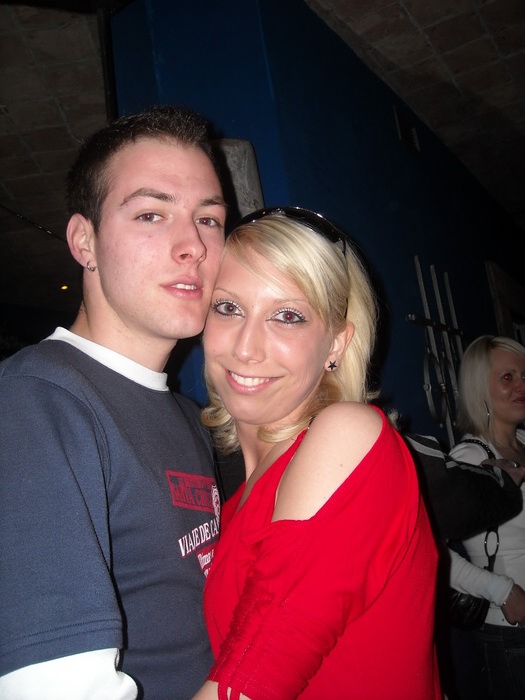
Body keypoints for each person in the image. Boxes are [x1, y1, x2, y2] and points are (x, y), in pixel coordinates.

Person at [0, 105, 228, 699]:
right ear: (86, 242)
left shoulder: (188, 416)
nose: (193, 246)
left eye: (208, 219)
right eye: (152, 214)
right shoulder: (36, 401)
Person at [193, 206, 442, 699]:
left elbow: (254, 676)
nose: (246, 347)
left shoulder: (347, 435)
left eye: (287, 316)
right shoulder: (235, 502)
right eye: (228, 308)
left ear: (336, 343)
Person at [448, 335, 525, 699]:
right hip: (513, 634)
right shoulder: (470, 459)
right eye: (507, 378)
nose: (521, 386)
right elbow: (425, 547)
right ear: (480, 390)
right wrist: (502, 591)